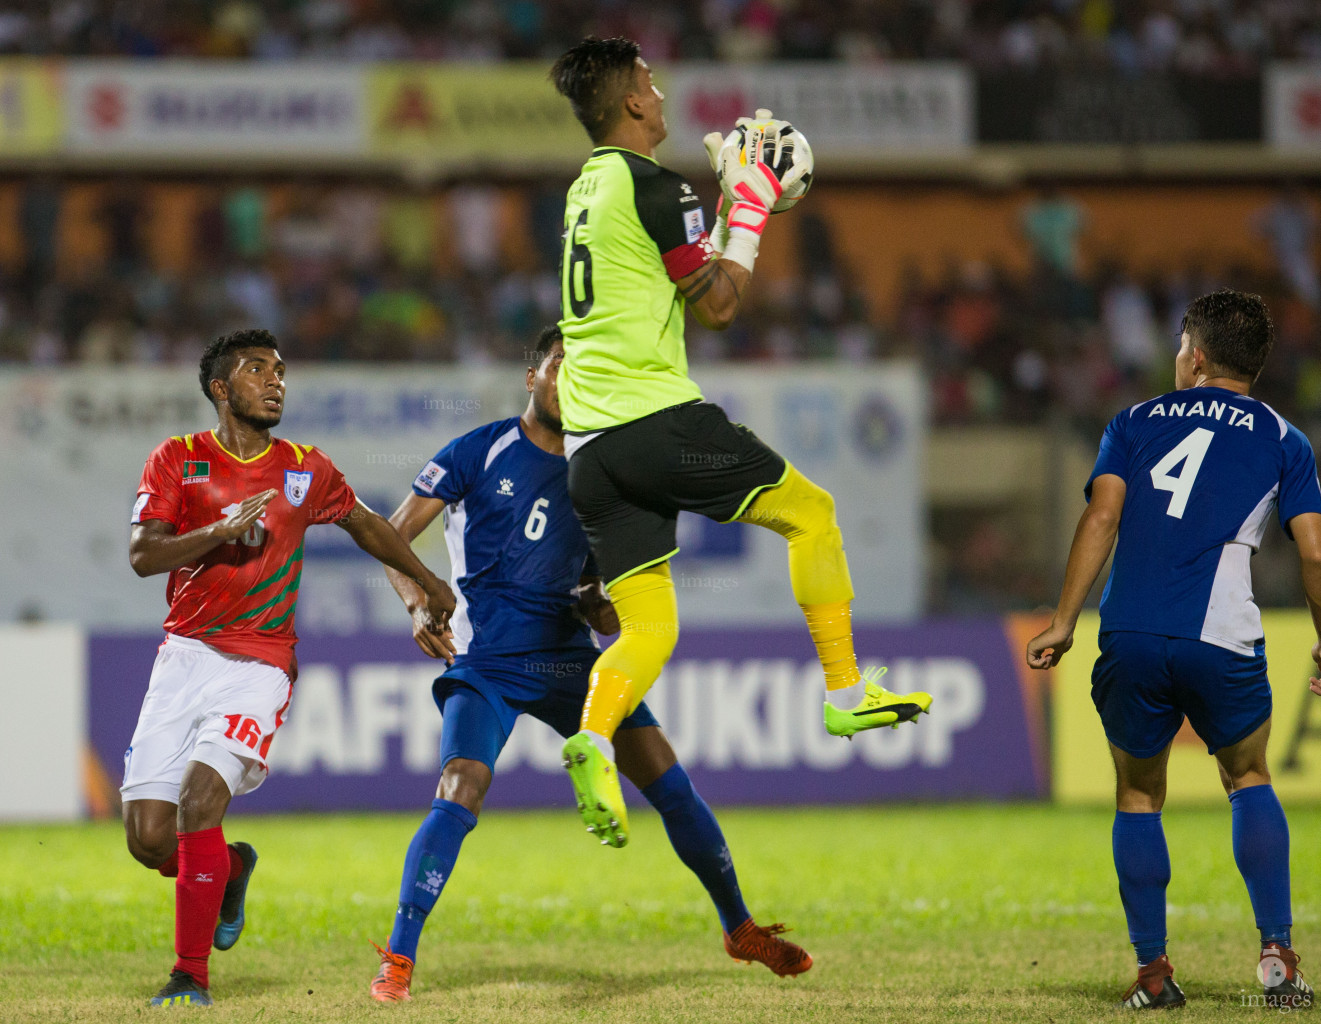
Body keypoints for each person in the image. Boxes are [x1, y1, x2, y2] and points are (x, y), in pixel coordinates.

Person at [546, 36, 932, 847]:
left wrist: (724, 210)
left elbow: (678, 277)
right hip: (653, 419)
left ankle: (589, 737)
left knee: (649, 628)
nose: (660, 89)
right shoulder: (655, 185)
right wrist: (749, 207)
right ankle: (843, 690)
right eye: (650, 81)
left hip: (589, 447)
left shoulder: (586, 190)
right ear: (634, 104)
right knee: (813, 515)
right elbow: (716, 305)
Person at [367, 326, 812, 1002]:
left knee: (670, 783)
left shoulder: (604, 473)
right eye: (557, 365)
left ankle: (739, 928)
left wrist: (602, 604)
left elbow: (611, 595)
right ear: (532, 377)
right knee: (461, 786)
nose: (568, 379)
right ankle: (398, 957)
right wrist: (415, 602)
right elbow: (391, 535)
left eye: (584, 370)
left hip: (572, 663)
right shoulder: (479, 450)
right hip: (488, 663)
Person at [122, 328, 455, 1007]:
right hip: (183, 657)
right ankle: (232, 866)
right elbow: (142, 555)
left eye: (279, 370)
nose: (275, 381)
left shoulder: (306, 467)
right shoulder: (177, 459)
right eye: (256, 370)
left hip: (260, 662)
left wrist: (423, 580)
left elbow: (365, 523)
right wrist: (215, 532)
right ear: (220, 388)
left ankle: (189, 976)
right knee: (149, 839)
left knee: (197, 803)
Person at [1026, 291, 1320, 1011]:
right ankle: (1276, 952)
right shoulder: (1285, 438)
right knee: (1247, 779)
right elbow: (1312, 551)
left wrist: (1064, 618)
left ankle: (1153, 974)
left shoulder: (1132, 421)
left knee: (1136, 793)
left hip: (1126, 630)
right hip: (1218, 634)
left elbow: (1102, 514)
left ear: (1192, 355)